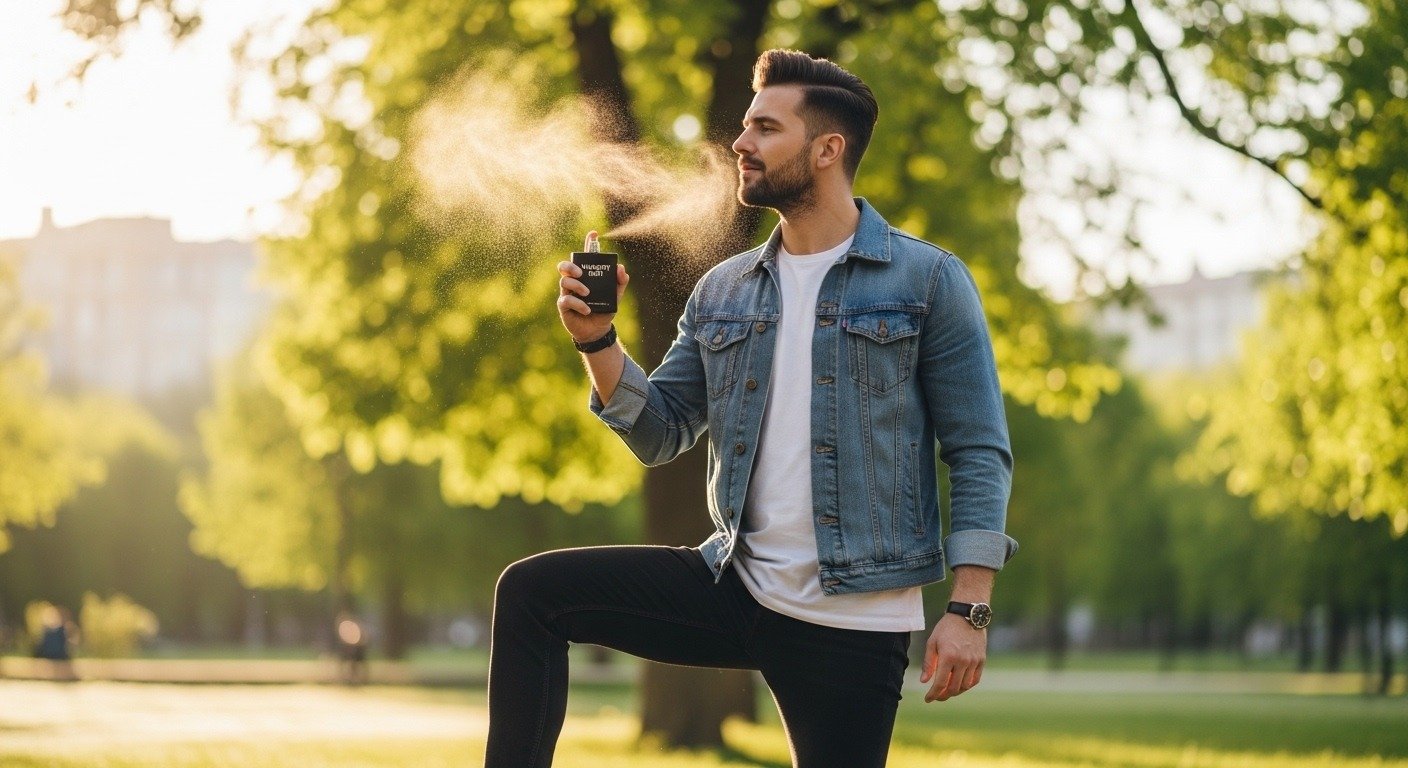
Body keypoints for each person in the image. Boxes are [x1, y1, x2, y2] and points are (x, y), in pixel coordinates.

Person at [487, 48, 1019, 768]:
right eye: (744, 127)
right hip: (734, 586)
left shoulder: (928, 280)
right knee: (531, 595)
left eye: (765, 128)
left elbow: (978, 449)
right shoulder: (724, 290)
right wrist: (597, 341)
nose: (739, 144)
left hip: (852, 618)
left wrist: (968, 608)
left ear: (827, 149)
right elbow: (660, 431)